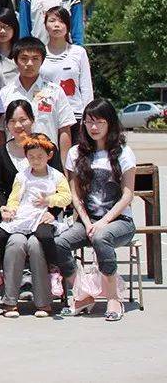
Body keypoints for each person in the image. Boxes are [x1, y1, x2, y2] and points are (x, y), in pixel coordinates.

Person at [56, 99, 136, 322]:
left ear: (110, 123)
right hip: (87, 221)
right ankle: (83, 294)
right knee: (59, 243)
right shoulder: (75, 153)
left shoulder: (123, 153)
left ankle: (113, 298)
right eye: (89, 122)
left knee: (102, 238)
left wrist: (103, 222)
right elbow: (75, 195)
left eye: (99, 122)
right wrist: (88, 222)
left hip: (119, 221)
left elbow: (128, 195)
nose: (93, 127)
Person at [0, 133, 70, 318]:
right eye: (31, 157)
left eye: (39, 156)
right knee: (15, 243)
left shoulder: (56, 176)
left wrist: (50, 201)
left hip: (42, 219)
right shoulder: (22, 176)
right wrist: (10, 210)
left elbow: (66, 197)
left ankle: (44, 300)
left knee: (36, 245)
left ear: (49, 156)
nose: (35, 160)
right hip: (22, 219)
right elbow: (14, 197)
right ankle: (9, 301)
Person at [0, 36, 76, 157]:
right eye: (24, 58)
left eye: (35, 58)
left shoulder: (55, 92)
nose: (29, 64)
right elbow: (1, 131)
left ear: (42, 60)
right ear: (15, 60)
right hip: (15, 160)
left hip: (48, 160)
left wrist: (64, 163)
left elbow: (64, 129)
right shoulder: (5, 93)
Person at [40, 6, 94, 126]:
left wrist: (88, 118)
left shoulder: (79, 52)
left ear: (68, 26)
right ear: (45, 25)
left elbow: (86, 88)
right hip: (47, 116)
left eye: (61, 21)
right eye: (52, 21)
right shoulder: (39, 53)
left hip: (75, 115)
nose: (56, 25)